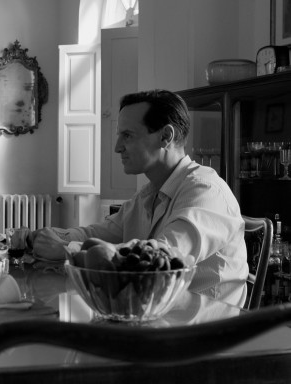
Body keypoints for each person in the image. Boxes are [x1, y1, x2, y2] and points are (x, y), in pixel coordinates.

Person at [31, 89, 249, 307]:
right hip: (157, 318)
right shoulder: (148, 194)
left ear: (165, 137)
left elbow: (160, 261)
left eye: (127, 135)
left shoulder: (206, 191)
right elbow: (98, 234)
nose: (117, 147)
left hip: (206, 330)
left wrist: (66, 249)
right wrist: (44, 237)